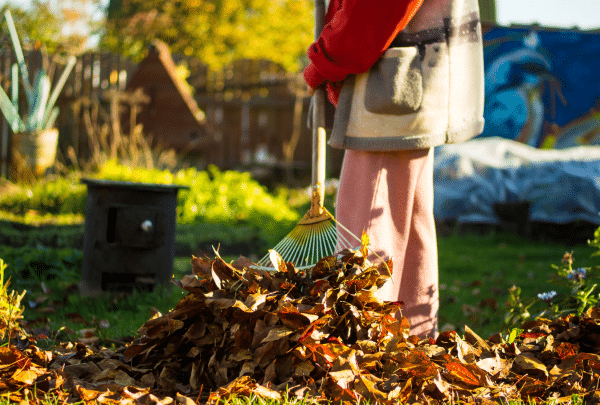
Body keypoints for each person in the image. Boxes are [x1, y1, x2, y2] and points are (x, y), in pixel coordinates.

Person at [303, 0, 485, 338]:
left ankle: (362, 343)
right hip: (416, 84)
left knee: (369, 225)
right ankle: (411, 339)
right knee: (407, 220)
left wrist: (325, 61)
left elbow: (371, 13)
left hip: (392, 90)